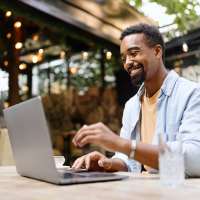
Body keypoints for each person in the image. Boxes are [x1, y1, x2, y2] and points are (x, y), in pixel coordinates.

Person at [72, 23, 200, 177]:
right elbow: (128, 160)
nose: (127, 63)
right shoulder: (132, 105)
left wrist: (119, 143)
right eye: (124, 57)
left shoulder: (191, 94)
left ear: (157, 51)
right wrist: (107, 164)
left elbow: (195, 159)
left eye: (133, 53)